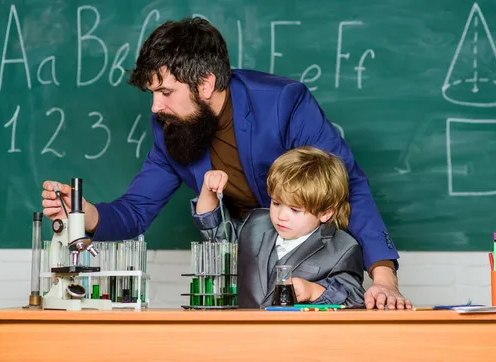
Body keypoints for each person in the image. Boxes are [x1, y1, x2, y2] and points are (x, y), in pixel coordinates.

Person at [41, 17, 412, 310]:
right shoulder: (169, 128)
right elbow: (136, 210)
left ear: (205, 83)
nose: (155, 108)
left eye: (165, 93)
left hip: (313, 266)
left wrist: (383, 278)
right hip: (246, 276)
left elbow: (350, 184)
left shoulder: (284, 102)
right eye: (153, 94)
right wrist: (87, 215)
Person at [193, 146, 365, 308]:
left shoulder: (343, 248)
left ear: (325, 213)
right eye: (276, 203)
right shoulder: (256, 224)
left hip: (294, 337)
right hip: (243, 333)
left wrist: (314, 291)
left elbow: (355, 297)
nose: (281, 216)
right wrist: (208, 191)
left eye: (295, 210)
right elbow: (215, 231)